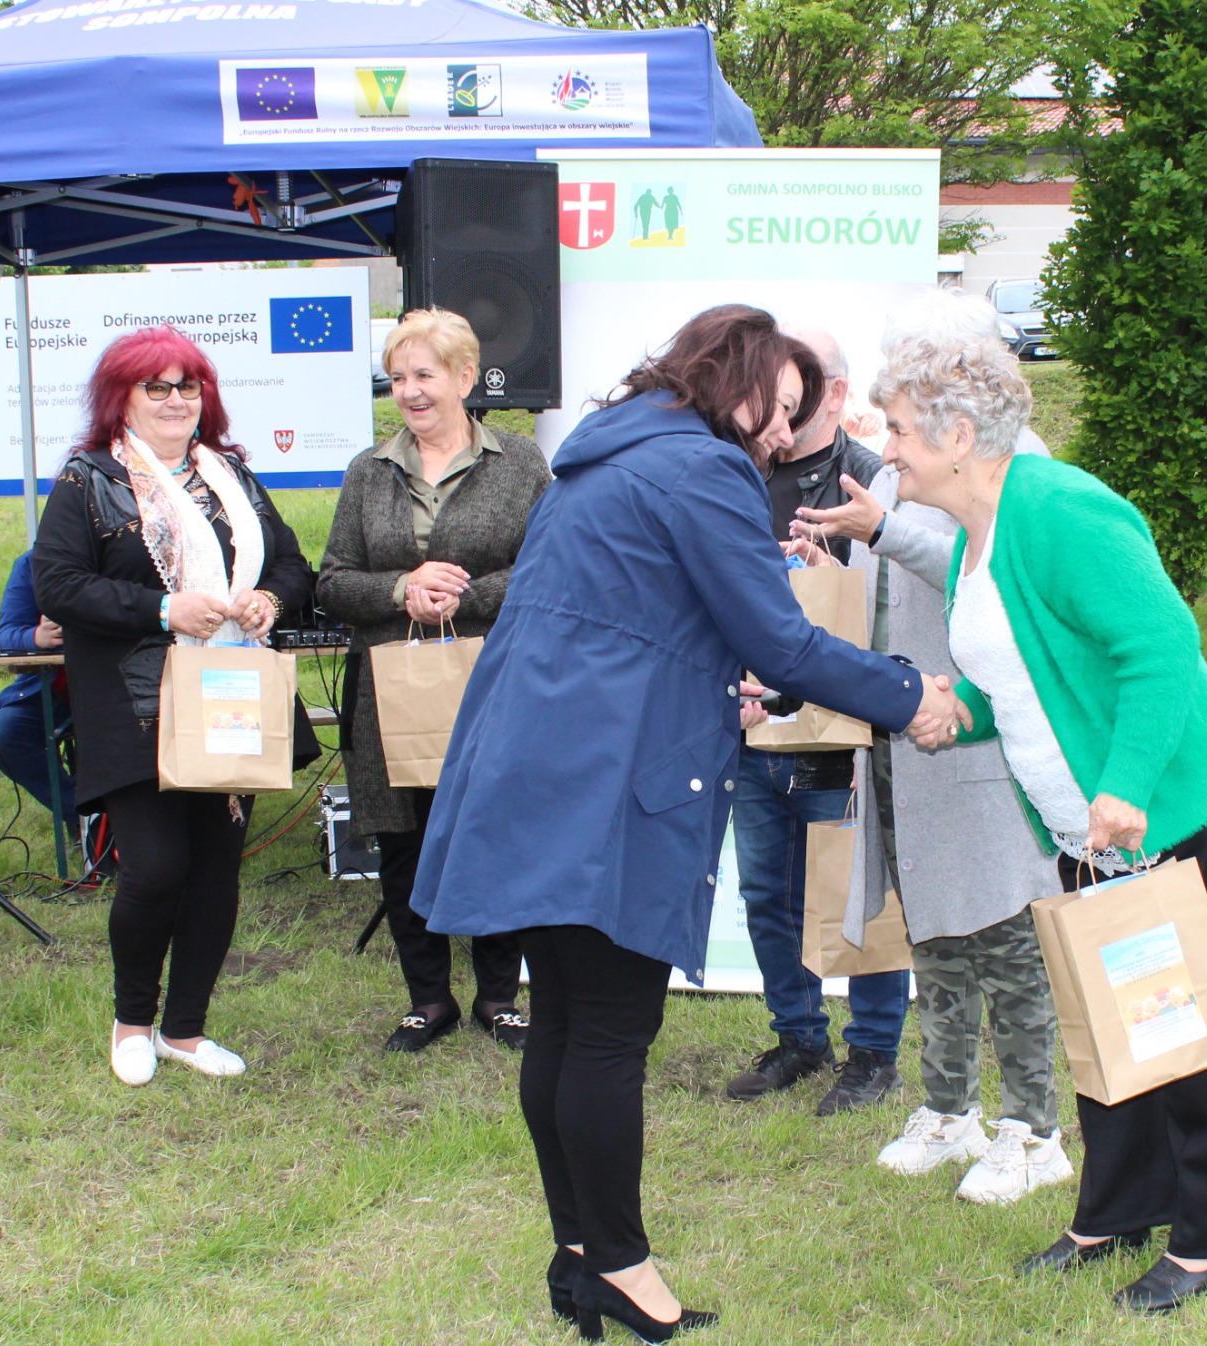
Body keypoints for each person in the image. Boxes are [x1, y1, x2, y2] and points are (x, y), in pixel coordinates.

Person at [408, 305, 965, 1341]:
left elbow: (638, 622)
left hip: (537, 763)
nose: (777, 435)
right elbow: (782, 638)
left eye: (798, 418)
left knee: (570, 1020)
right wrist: (909, 690)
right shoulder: (701, 468)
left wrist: (720, 683)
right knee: (610, 1030)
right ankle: (621, 1266)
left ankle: (579, 1253)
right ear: (732, 377)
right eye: (775, 409)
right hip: (601, 780)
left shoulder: (607, 454)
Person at [883, 333, 1207, 1311]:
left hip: (1167, 809)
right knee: (1114, 1023)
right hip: (1089, 827)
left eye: (900, 428)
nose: (889, 447)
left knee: (1188, 1026)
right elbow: (1032, 672)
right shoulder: (974, 536)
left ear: (958, 434)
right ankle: (1116, 1207)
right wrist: (965, 707)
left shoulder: (1059, 507)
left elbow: (1162, 644)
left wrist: (1124, 788)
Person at [788, 292, 1070, 1202]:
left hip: (983, 748)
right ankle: (949, 1109)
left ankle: (1035, 1129)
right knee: (936, 941)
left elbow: (973, 570)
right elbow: (901, 582)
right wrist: (845, 578)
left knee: (1010, 946)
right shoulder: (906, 465)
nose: (892, 423)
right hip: (911, 744)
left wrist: (881, 531)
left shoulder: (1020, 468)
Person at [34, 325, 316, 1088]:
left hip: (232, 697)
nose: (173, 400)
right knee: (155, 870)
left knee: (217, 871)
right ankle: (132, 1021)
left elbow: (293, 564)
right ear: (122, 397)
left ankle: (185, 1031)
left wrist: (267, 597)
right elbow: (56, 585)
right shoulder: (87, 478)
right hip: (136, 707)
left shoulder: (233, 477)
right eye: (154, 386)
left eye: (186, 385)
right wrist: (163, 611)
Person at [318, 308, 551, 1054]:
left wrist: (465, 596)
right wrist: (400, 591)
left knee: (496, 835)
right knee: (404, 843)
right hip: (390, 688)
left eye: (425, 375)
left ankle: (497, 997)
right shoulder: (368, 471)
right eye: (398, 378)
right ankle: (428, 1000)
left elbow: (551, 569)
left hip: (496, 682)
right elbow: (331, 583)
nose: (411, 392)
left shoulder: (521, 465)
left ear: (464, 377)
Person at [724, 327, 911, 1117]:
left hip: (837, 728)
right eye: (772, 391)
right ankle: (799, 1035)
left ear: (836, 394)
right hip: (751, 720)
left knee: (855, 890)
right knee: (768, 891)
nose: (781, 409)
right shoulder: (738, 470)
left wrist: (844, 577)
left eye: (799, 394)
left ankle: (873, 1053)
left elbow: (903, 612)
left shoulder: (871, 484)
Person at [0, 549, 78, 835]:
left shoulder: (122, 553)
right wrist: (36, 637)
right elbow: (6, 635)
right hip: (53, 690)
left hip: (120, 689)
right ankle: (85, 815)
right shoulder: (32, 563)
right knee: (3, 736)